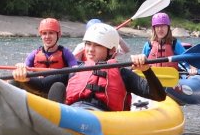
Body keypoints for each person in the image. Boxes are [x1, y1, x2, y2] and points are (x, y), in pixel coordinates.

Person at [12, 23, 166, 111]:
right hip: (73, 113)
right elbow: (42, 86)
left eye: (97, 46)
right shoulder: (75, 68)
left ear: (111, 51)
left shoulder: (122, 72)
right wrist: (24, 78)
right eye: (88, 44)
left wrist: (147, 70)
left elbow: (159, 96)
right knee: (57, 86)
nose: (90, 49)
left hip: (102, 116)